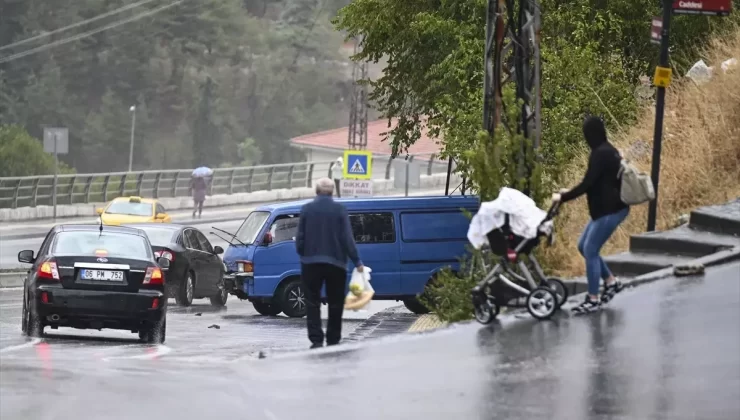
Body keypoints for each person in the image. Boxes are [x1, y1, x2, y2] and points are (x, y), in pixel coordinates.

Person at [551, 116, 629, 315]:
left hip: (610, 210)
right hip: (606, 209)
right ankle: (611, 282)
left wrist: (563, 197)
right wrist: (568, 194)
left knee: (591, 250)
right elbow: (595, 182)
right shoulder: (607, 150)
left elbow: (587, 183)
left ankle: (592, 298)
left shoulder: (600, 153)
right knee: (583, 246)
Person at [296, 178, 363, 348]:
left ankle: (316, 339)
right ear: (332, 192)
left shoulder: (306, 210)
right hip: (336, 263)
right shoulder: (340, 210)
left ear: (316, 191)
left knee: (312, 302)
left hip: (310, 263)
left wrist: (303, 254)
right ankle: (333, 339)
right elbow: (347, 238)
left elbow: (300, 238)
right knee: (335, 302)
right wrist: (357, 261)